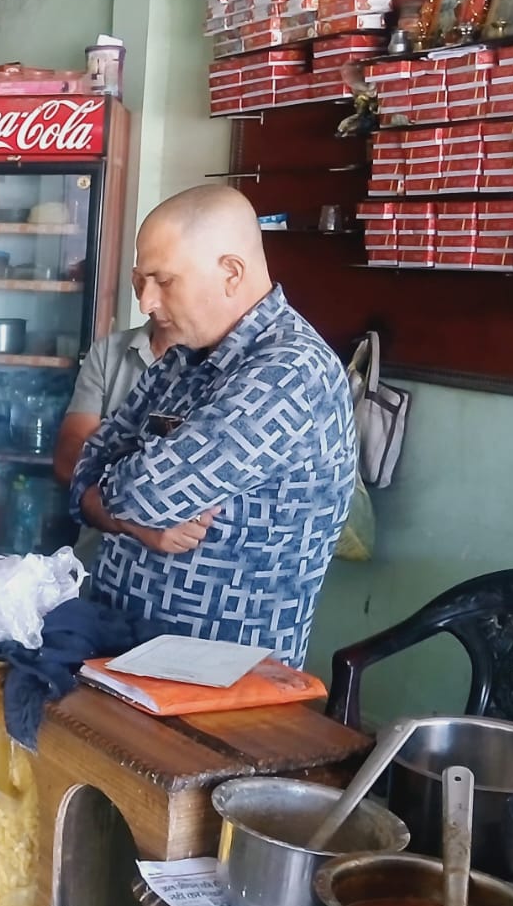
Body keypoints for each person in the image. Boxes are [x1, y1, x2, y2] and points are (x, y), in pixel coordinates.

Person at [69, 185, 357, 666]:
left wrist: (118, 495)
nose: (146, 302)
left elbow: (149, 492)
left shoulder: (290, 371)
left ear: (231, 273)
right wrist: (132, 521)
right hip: (118, 643)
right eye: (141, 281)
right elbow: (84, 470)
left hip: (217, 671)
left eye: (164, 281)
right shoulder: (184, 357)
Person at [51, 315, 177, 565]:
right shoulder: (108, 351)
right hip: (94, 560)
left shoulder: (219, 361)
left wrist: (100, 480)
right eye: (139, 291)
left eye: (165, 289)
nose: (147, 303)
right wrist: (126, 514)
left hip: (169, 573)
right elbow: (67, 457)